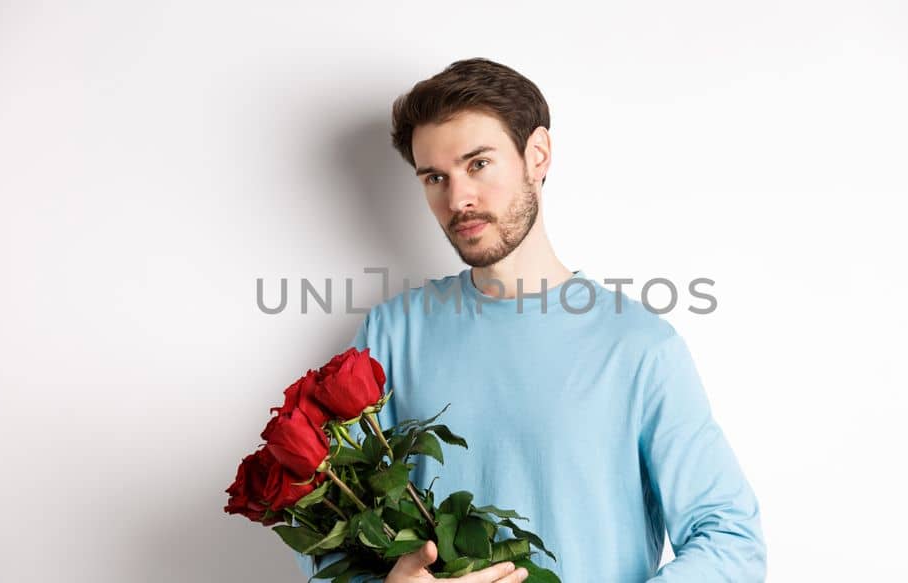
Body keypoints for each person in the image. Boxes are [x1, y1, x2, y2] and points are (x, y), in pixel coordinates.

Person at [293, 58, 766, 583]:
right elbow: (324, 525)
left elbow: (730, 542)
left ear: (536, 154)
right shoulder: (390, 334)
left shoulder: (638, 346)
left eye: (478, 164)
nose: (458, 199)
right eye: (435, 177)